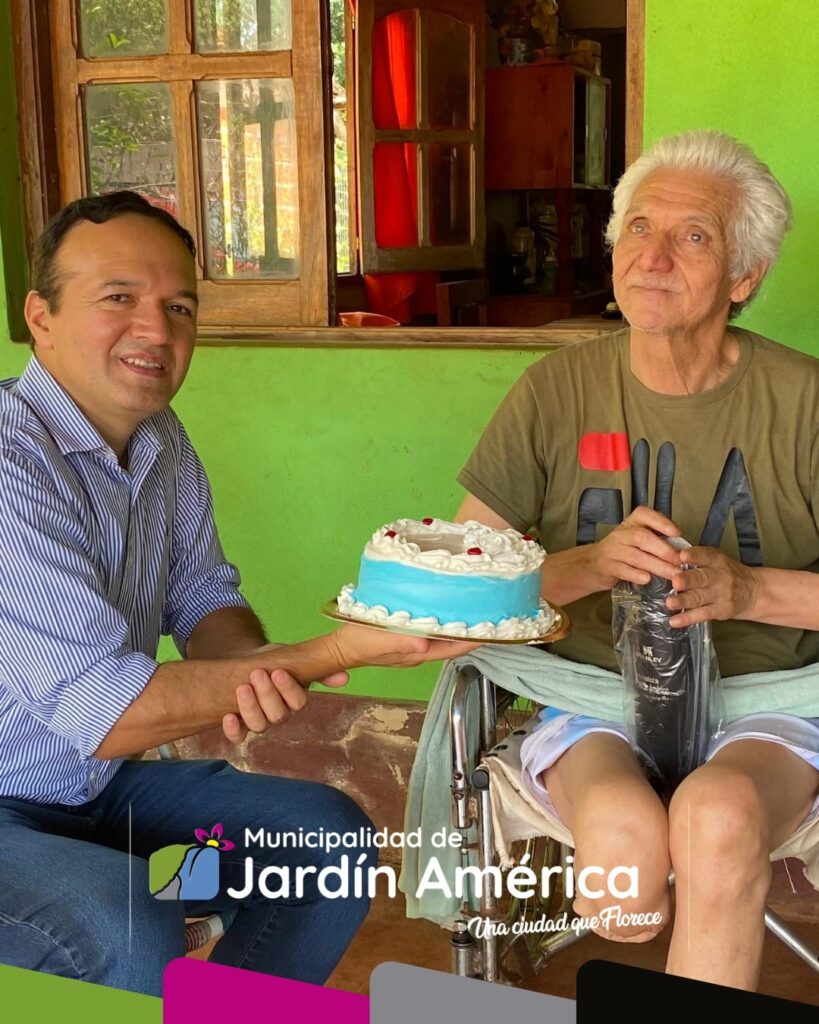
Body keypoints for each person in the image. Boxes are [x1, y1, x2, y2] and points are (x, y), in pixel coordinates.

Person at [0, 191, 477, 996]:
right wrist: (327, 652)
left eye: (178, 306)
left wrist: (256, 667)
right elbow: (102, 711)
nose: (156, 330)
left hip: (91, 788)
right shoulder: (10, 462)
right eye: (118, 298)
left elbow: (200, 597)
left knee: (324, 847)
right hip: (17, 795)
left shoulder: (161, 441)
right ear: (40, 316)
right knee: (123, 918)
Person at [455, 130, 819, 991]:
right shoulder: (554, 390)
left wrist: (747, 589)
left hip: (769, 706)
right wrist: (587, 566)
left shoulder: (804, 402)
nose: (651, 257)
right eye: (637, 229)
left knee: (718, 819)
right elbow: (461, 589)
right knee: (624, 880)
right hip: (593, 700)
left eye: (692, 236)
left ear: (744, 276)